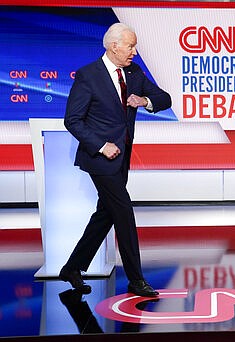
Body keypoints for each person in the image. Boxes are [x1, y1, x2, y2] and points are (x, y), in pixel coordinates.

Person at [59, 22, 172, 297]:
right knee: (123, 211)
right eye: (130, 46)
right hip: (99, 159)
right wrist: (101, 145)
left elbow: (164, 98)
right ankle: (136, 280)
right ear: (114, 46)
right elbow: (72, 120)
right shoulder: (88, 75)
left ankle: (72, 268)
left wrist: (144, 101)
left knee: (105, 214)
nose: (134, 51)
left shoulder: (133, 72)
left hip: (123, 157)